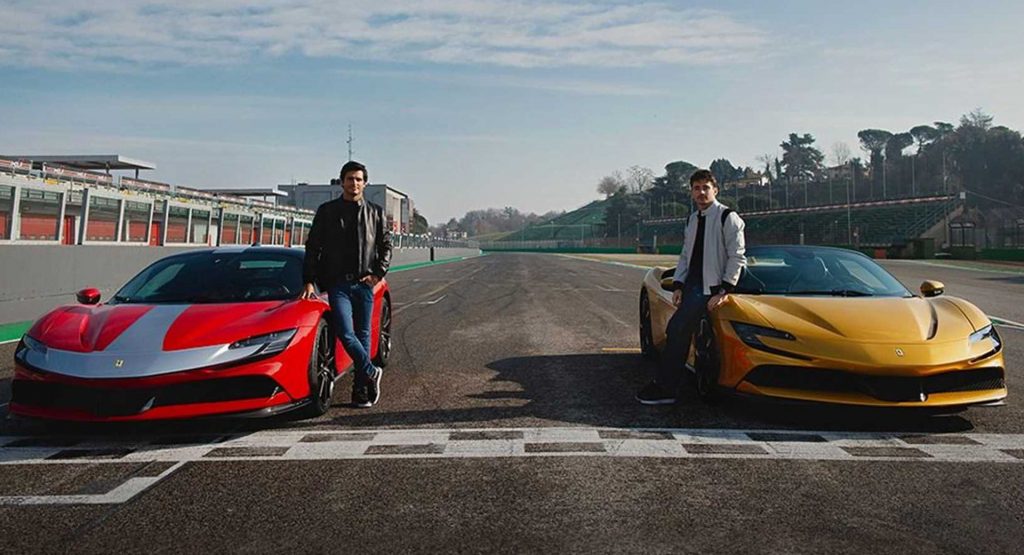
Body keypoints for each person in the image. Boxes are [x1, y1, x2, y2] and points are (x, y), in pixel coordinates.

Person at [636, 169, 746, 405]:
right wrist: (678, 284)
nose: (701, 192)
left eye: (706, 187)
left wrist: (725, 289)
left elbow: (737, 256)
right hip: (692, 287)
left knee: (676, 329)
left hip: (711, 288)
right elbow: (686, 255)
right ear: (691, 192)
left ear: (715, 190)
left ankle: (666, 388)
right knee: (679, 331)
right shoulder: (692, 219)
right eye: (696, 188)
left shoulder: (728, 217)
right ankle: (671, 383)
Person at [301, 160, 393, 408]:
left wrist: (377, 273)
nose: (354, 183)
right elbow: (312, 247)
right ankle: (371, 371)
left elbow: (386, 246)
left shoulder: (376, 212)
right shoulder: (327, 211)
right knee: (345, 332)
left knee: (363, 335)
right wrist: (309, 279)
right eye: (350, 179)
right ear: (342, 181)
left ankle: (361, 389)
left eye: (359, 179)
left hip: (365, 283)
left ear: (365, 183)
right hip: (337, 283)